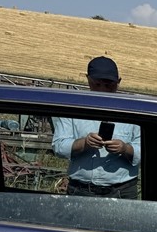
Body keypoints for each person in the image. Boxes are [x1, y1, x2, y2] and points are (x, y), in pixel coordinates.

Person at [51, 56, 142, 198]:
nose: (103, 90)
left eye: (109, 85)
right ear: (88, 80)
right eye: (97, 84)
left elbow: (147, 150)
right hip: (80, 190)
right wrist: (84, 143)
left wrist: (125, 149)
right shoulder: (72, 108)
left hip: (122, 191)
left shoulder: (134, 110)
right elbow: (58, 146)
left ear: (118, 82)